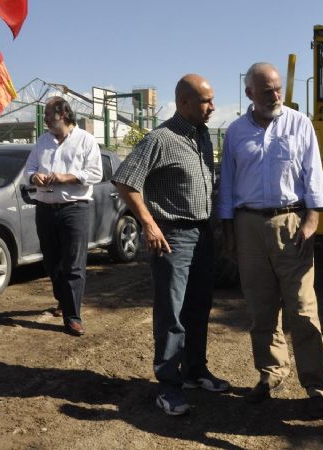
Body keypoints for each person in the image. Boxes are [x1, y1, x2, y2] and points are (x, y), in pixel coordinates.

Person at [219, 62, 323, 420]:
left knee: (302, 309)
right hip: (248, 224)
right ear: (249, 92)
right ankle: (271, 372)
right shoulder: (235, 132)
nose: (275, 95)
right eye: (266, 90)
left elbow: (314, 173)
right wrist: (227, 228)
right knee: (261, 308)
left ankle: (316, 387)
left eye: (278, 88)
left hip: (291, 223)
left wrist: (313, 219)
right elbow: (228, 181)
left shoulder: (300, 124)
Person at [112, 74, 230, 416]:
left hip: (203, 235)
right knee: (171, 313)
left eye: (211, 100)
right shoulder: (160, 139)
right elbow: (125, 180)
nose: (212, 107)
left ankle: (195, 371)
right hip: (173, 237)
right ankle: (168, 386)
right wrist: (149, 224)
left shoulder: (203, 136)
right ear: (183, 103)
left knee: (199, 306)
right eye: (206, 101)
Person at [25, 96, 102, 337]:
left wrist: (64, 177)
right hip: (45, 208)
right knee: (51, 261)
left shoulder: (86, 140)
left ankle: (72, 317)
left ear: (64, 115)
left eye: (49, 115)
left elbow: (95, 173)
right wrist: (34, 177)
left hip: (74, 209)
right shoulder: (42, 141)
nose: (45, 120)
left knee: (73, 263)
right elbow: (28, 170)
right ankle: (63, 298)